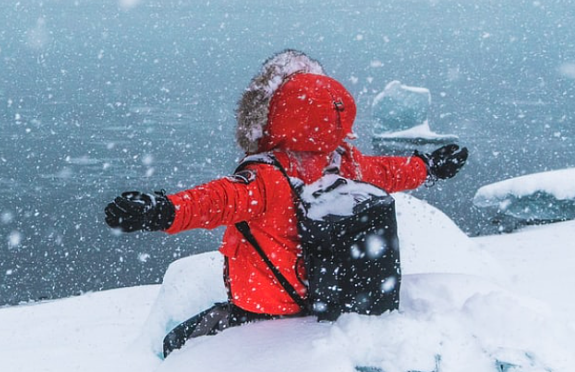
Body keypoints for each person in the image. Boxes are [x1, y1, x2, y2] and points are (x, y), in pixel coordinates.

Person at [104, 49, 468, 357]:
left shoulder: (267, 177)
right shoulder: (346, 162)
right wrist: (429, 166)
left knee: (171, 346)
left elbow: (214, 201)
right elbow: (390, 171)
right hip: (330, 298)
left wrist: (160, 210)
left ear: (277, 116)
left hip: (268, 311)